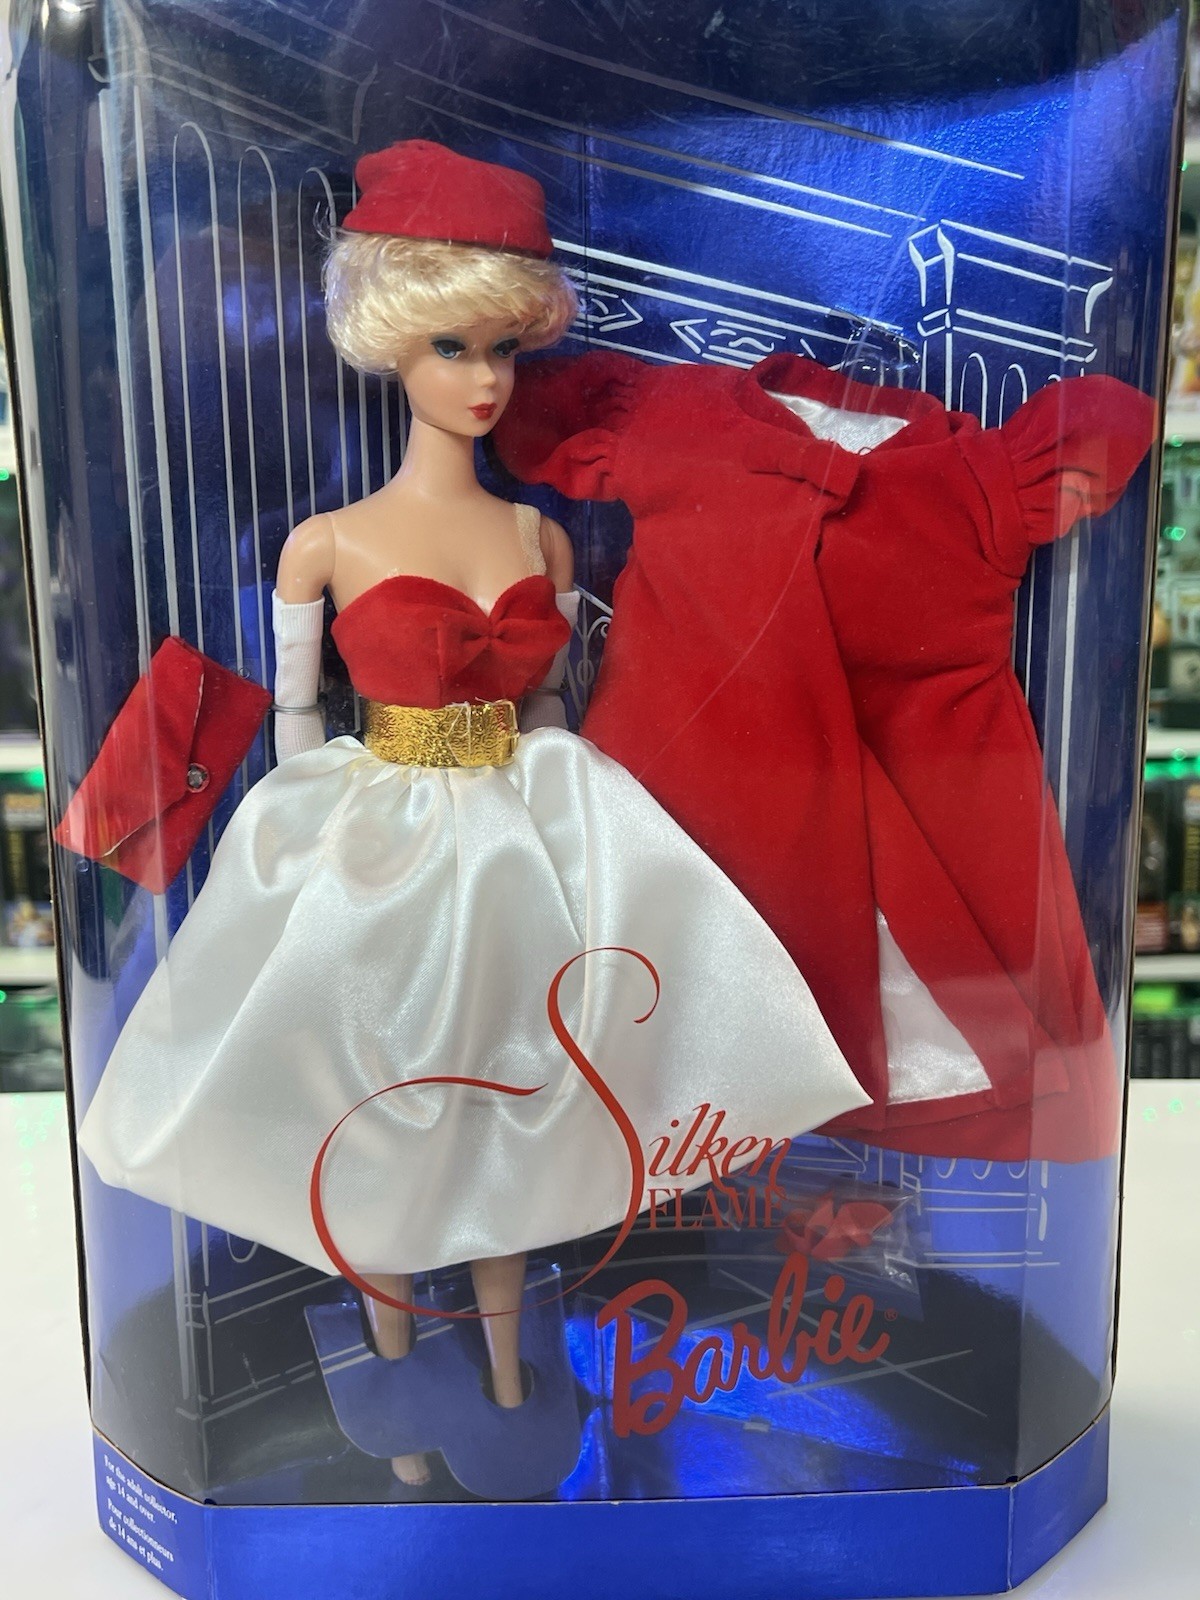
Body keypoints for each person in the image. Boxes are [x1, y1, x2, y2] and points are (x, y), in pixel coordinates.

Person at [77, 140, 868, 1488]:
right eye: (453, 346)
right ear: (394, 343)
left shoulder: (538, 538)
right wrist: (303, 849)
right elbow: (298, 719)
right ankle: (395, 1378)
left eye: (503, 347)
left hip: (517, 837)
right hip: (377, 843)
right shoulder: (328, 542)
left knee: (517, 1102)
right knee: (375, 1113)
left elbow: (551, 705)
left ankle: (508, 1378)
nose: (487, 379)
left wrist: (586, 837)